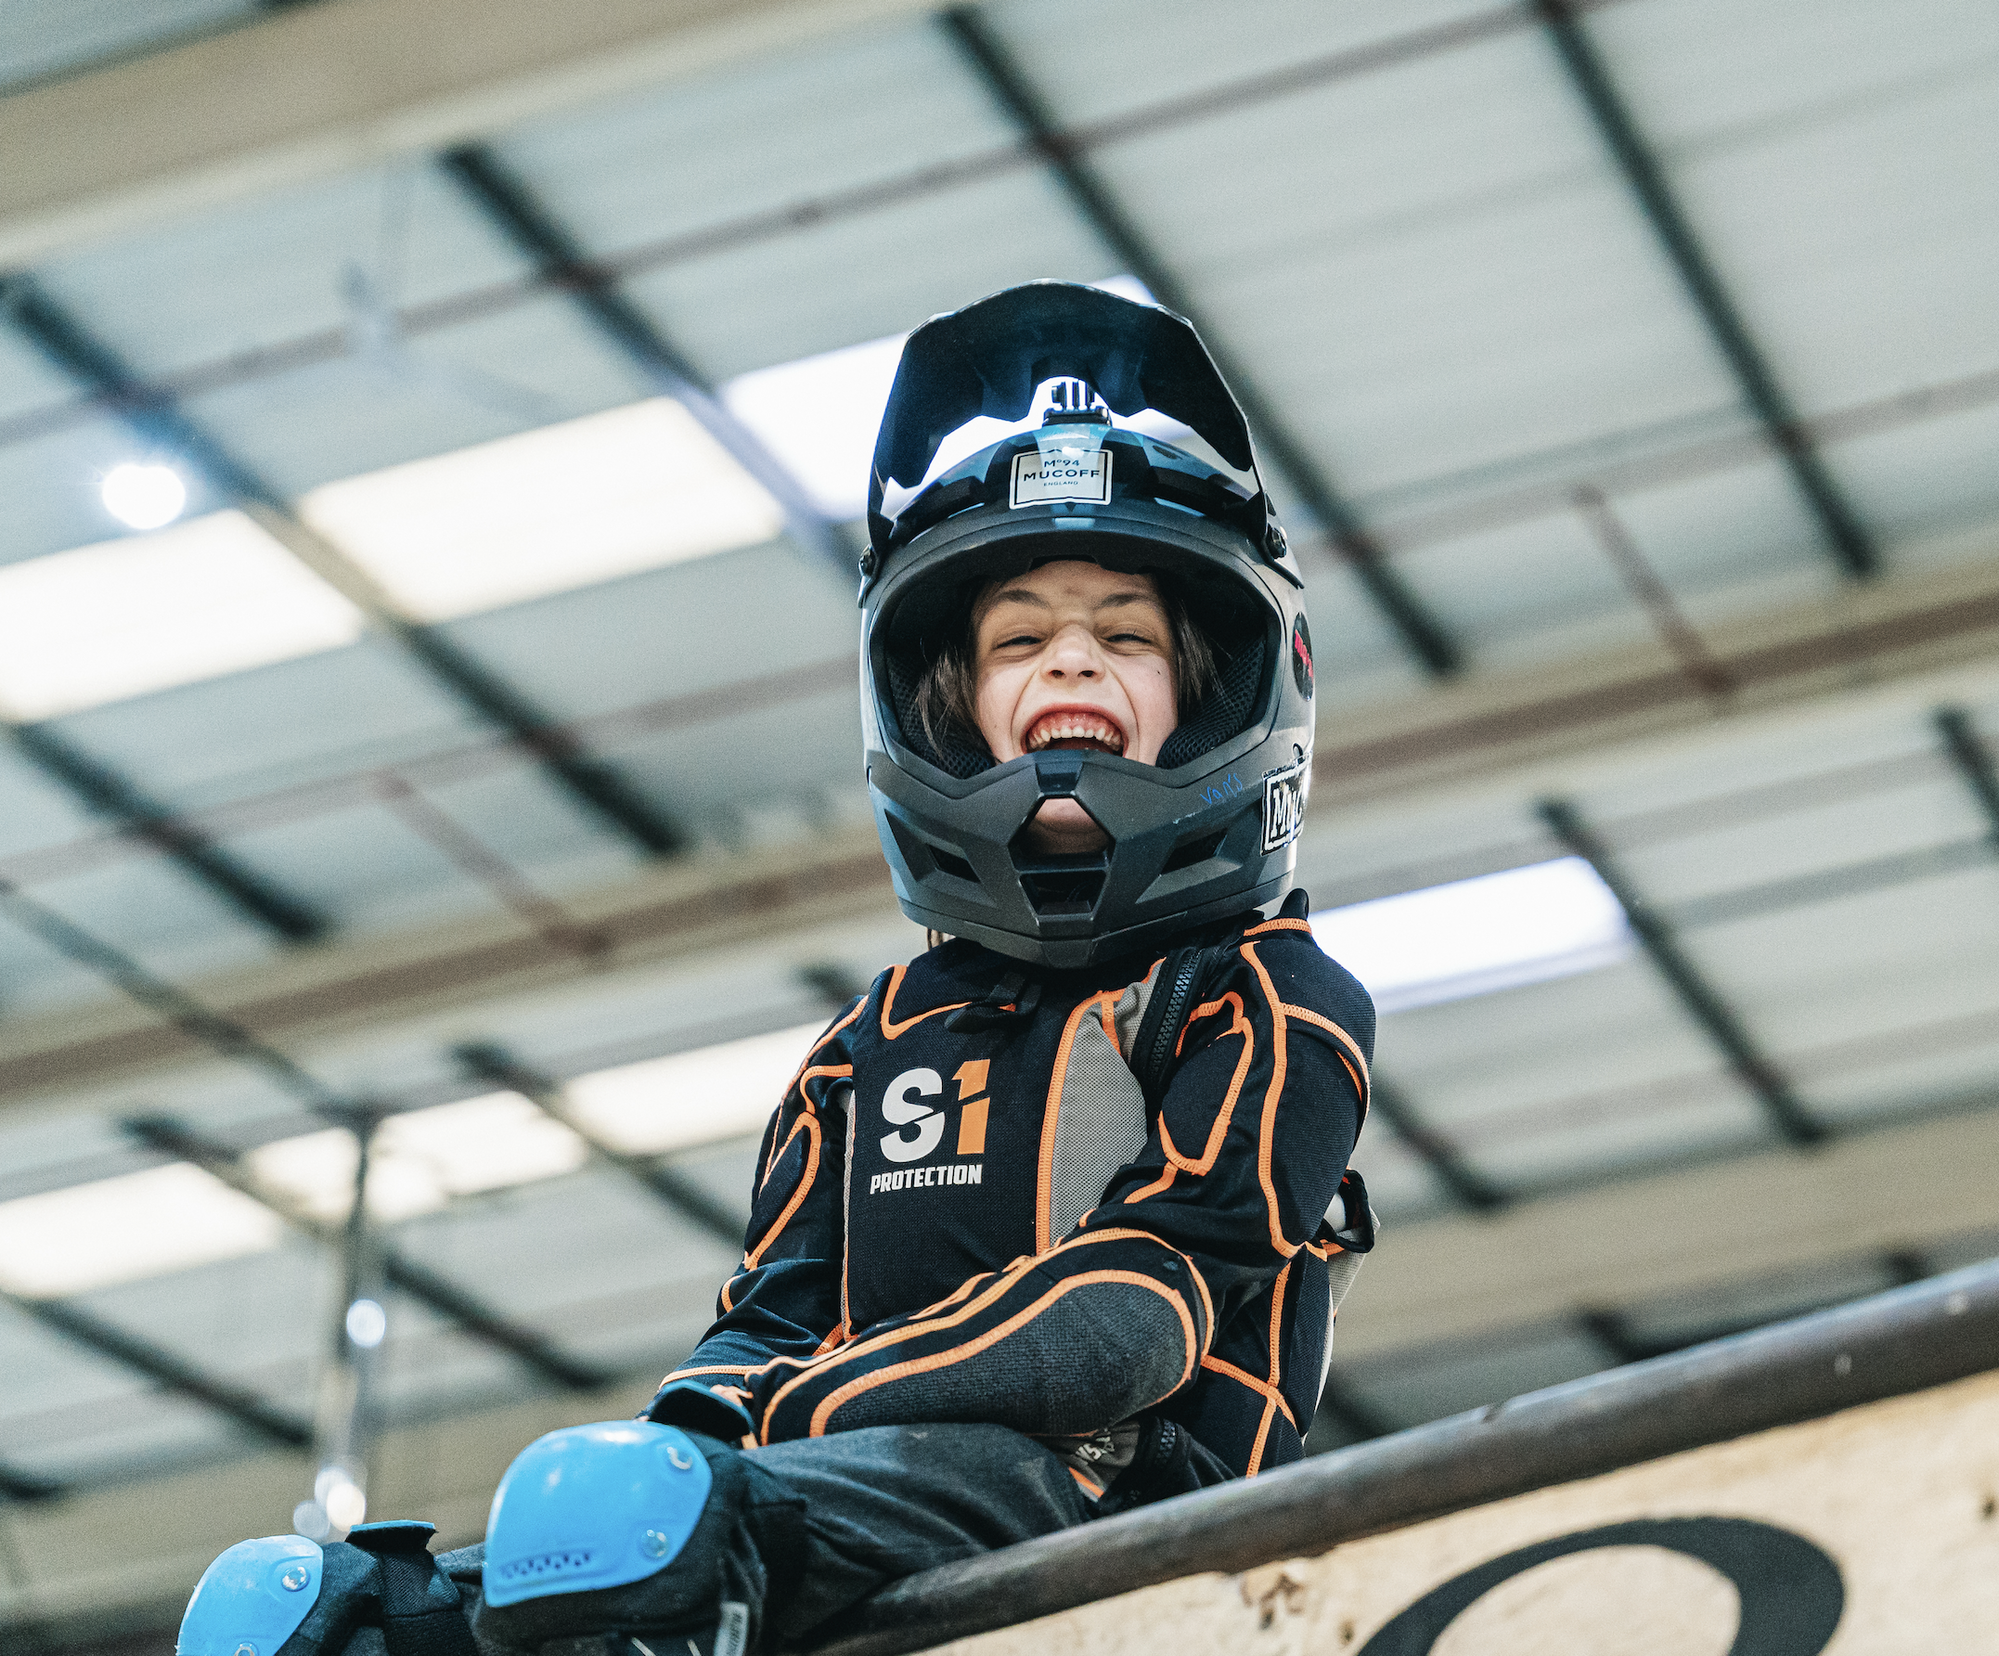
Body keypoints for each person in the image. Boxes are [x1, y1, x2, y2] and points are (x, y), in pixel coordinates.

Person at [176, 282, 1376, 1656]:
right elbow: (765, 1326)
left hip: (1125, 1516)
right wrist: (692, 1442)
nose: (1072, 664)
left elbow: (1128, 1321)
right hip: (852, 1485)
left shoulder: (1267, 991)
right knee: (356, 1617)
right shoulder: (870, 1046)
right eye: (1021, 639)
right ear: (949, 701)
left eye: (1125, 634)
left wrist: (777, 1427)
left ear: (1216, 691)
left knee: (657, 1540)